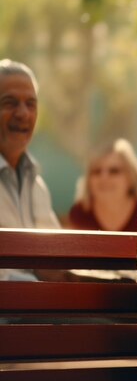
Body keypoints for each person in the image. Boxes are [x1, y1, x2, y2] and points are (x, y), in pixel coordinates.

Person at [0, 59, 60, 281]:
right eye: (10, 103)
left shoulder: (37, 185)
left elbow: (59, 262)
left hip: (37, 311)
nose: (23, 113)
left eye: (31, 104)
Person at [68, 138, 137, 232]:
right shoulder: (79, 213)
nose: (104, 178)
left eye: (114, 171)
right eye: (96, 171)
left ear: (131, 176)